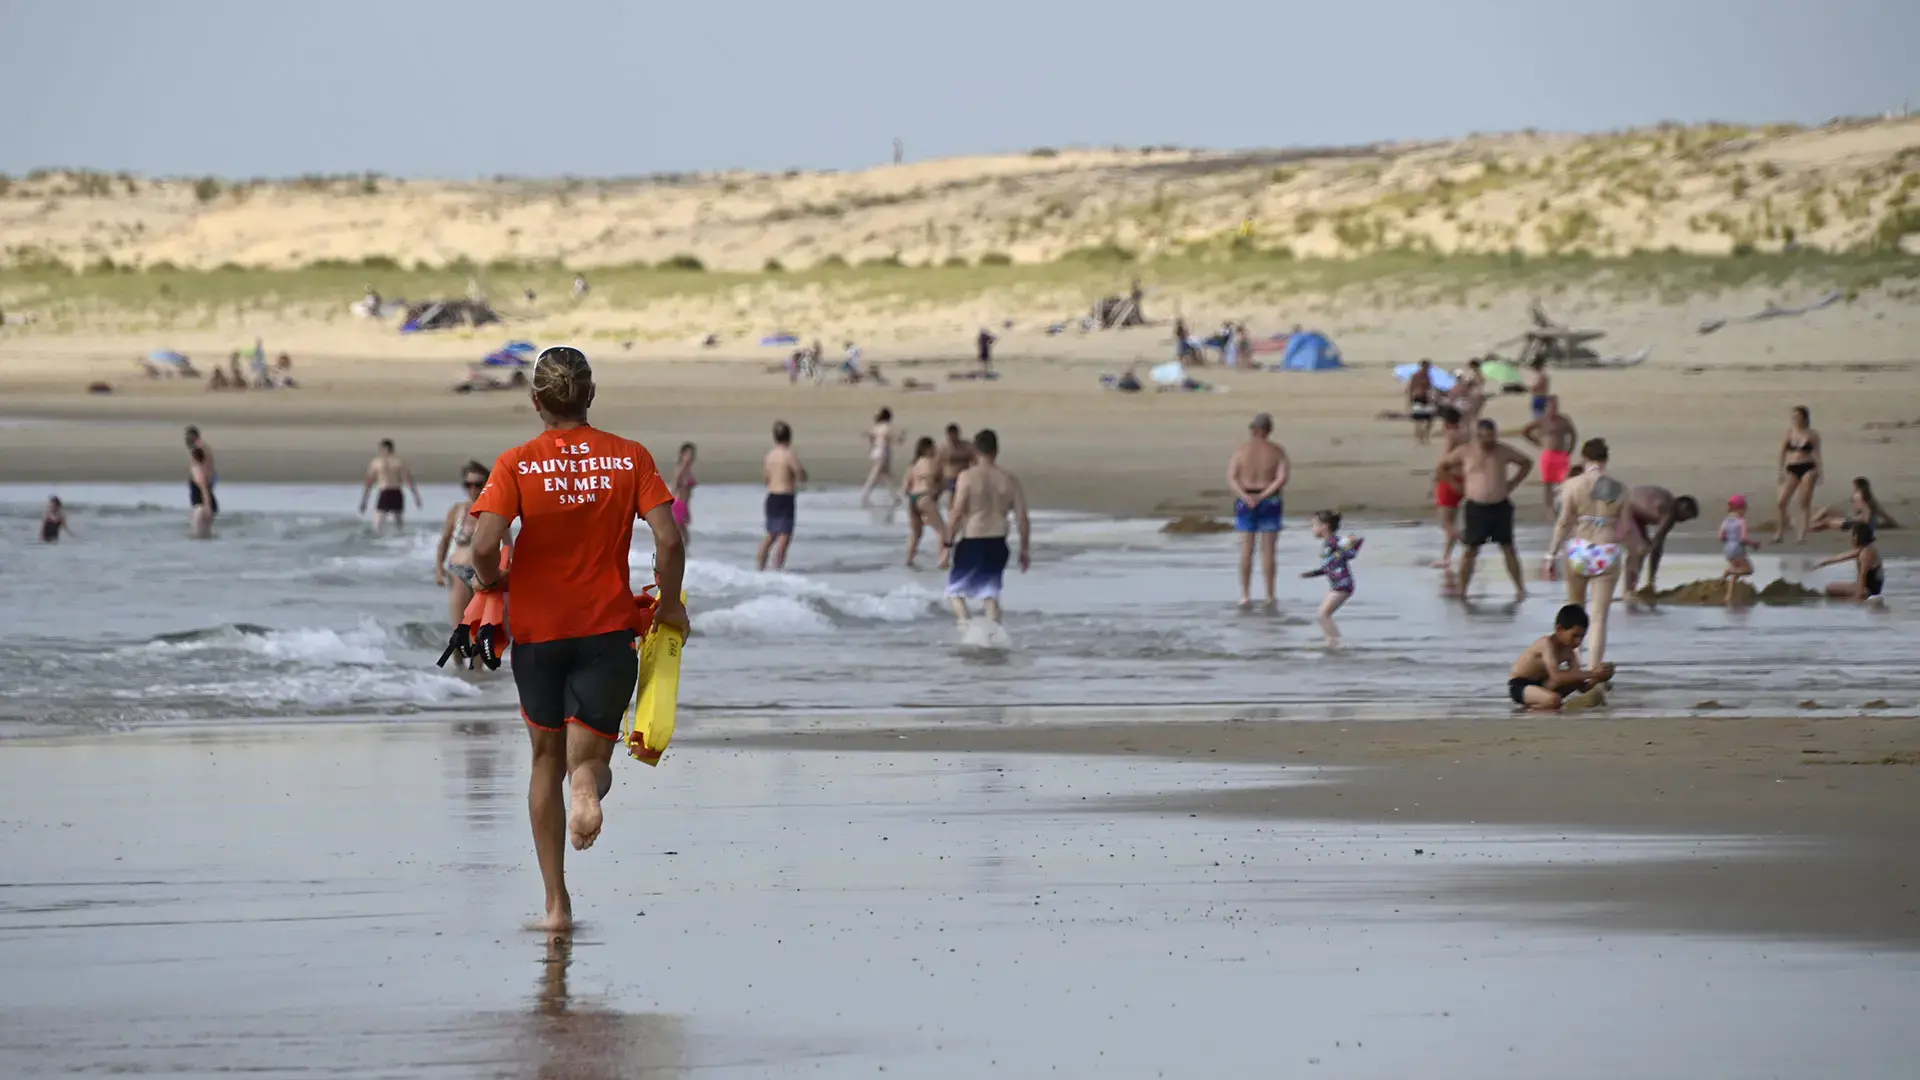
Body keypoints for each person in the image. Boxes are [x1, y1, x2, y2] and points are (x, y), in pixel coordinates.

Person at [466, 345, 687, 934]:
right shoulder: (629, 456)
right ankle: (586, 785)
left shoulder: (517, 462)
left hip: (539, 635)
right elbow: (668, 540)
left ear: (535, 400)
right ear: (590, 395)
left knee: (545, 760)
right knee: (587, 759)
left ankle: (556, 907)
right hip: (607, 631)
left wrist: (491, 583)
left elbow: (484, 546)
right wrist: (669, 605)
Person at [1546, 439, 1627, 668]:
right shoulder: (1619, 488)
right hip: (1607, 548)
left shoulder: (1572, 485)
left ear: (1583, 458)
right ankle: (1594, 669)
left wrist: (1550, 555)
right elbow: (1626, 528)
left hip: (1579, 549)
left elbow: (1563, 523)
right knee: (1599, 617)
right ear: (1606, 459)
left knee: (1576, 611)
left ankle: (1575, 667)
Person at [941, 429, 1030, 626]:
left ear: (975, 451)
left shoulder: (967, 477)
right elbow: (1022, 518)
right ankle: (993, 633)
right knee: (990, 593)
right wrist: (1024, 549)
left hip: (973, 540)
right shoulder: (1009, 479)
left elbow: (956, 513)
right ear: (996, 451)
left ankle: (966, 628)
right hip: (998, 542)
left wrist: (947, 545)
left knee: (955, 592)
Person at [1438, 419, 1531, 599]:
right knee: (1470, 550)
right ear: (1478, 436)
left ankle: (1520, 589)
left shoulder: (1503, 450)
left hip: (1500, 505)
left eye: (1492, 436)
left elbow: (1526, 463)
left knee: (1508, 548)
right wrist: (1454, 485)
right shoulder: (1466, 451)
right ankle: (1462, 590)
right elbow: (1442, 467)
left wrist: (1512, 483)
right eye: (1485, 436)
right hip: (1476, 507)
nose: (1489, 440)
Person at [1227, 413, 1290, 609]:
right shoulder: (1277, 451)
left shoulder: (1241, 450)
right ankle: (1270, 595)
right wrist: (1262, 496)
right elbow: (1281, 478)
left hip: (1246, 498)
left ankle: (1245, 595)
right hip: (1270, 500)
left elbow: (1232, 477)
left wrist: (1245, 497)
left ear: (1253, 430)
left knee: (1246, 550)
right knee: (1268, 551)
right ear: (1269, 430)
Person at [1508, 605, 1614, 711]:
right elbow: (1556, 677)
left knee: (1573, 679)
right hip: (1520, 685)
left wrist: (1599, 677)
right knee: (1554, 700)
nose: (1578, 641)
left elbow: (1582, 687)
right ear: (1559, 629)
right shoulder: (1546, 643)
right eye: (1574, 636)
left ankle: (1544, 705)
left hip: (1543, 683)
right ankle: (1527, 711)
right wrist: (1593, 673)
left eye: (1582, 637)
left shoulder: (1569, 652)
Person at [434, 461, 492, 654]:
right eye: (468, 485)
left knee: (479, 631)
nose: (473, 489)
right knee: (459, 630)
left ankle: (478, 671)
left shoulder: (494, 511)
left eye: (478, 484)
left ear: (487, 484)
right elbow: (444, 540)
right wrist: (439, 568)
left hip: (483, 574)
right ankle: (458, 669)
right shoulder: (457, 510)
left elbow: (507, 544)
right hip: (458, 571)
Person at [1621, 486, 1700, 598]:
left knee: (1644, 547)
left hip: (1634, 512)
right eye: (1686, 517)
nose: (1683, 521)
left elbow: (1655, 543)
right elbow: (1657, 545)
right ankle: (1628, 592)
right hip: (1626, 509)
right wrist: (1651, 579)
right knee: (1640, 549)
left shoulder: (1666, 501)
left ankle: (1630, 589)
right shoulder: (1670, 510)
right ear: (1683, 506)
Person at [1300, 510, 1362, 647]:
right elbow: (1329, 567)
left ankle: (1335, 642)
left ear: (1324, 526)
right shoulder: (1328, 544)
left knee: (1322, 615)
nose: (1312, 529)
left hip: (1343, 585)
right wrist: (1313, 573)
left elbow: (1352, 550)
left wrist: (1348, 545)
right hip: (1335, 585)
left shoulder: (1334, 541)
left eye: (1314, 525)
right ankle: (1332, 641)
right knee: (1322, 615)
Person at [758, 421, 805, 571]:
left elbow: (766, 479)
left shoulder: (770, 455)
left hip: (772, 496)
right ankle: (777, 568)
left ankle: (760, 566)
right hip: (785, 497)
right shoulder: (789, 454)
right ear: (789, 437)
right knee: (785, 535)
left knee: (771, 535)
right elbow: (800, 473)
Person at [1521, 396, 1578, 514]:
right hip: (1548, 455)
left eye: (1555, 406)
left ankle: (1564, 505)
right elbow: (1525, 431)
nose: (1553, 409)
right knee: (1548, 482)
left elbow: (1573, 434)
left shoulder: (1563, 420)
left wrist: (1570, 449)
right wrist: (1537, 442)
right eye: (1551, 406)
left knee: (1565, 481)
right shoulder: (1542, 421)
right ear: (1546, 407)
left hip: (1561, 454)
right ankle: (1549, 507)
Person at [1774, 405, 1822, 544]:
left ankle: (1802, 534)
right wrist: (1780, 471)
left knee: (1804, 501)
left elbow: (1817, 453)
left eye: (1798, 416)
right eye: (1794, 417)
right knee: (1781, 501)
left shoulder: (1812, 434)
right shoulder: (1789, 433)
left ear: (1804, 418)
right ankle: (1780, 532)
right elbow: (1782, 453)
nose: (1795, 419)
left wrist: (1820, 471)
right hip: (1792, 467)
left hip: (1808, 467)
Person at [900, 436, 946, 568]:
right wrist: (934, 498)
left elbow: (904, 487)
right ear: (927, 449)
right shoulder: (932, 463)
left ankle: (908, 561)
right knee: (942, 531)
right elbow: (938, 484)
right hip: (925, 497)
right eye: (933, 447)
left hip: (912, 499)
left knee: (916, 534)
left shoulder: (913, 465)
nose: (935, 450)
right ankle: (942, 562)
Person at [1431, 405, 1467, 572]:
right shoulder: (1467, 434)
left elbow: (1445, 458)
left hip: (1450, 477)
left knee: (1446, 522)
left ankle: (1466, 542)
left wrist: (1436, 475)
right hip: (1464, 477)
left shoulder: (1451, 435)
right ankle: (1446, 557)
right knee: (1451, 522)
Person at [358, 439, 423, 533]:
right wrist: (364, 501)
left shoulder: (389, 462)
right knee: (383, 523)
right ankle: (397, 537)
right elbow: (369, 482)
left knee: (391, 523)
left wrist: (416, 497)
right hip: (389, 493)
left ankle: (395, 537)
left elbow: (408, 479)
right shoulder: (386, 462)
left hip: (393, 492)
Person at [1817, 521, 1884, 602]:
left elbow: (1863, 574)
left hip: (1868, 590)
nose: (1851, 539)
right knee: (1830, 588)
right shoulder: (1863, 549)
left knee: (1831, 591)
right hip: (1865, 587)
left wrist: (1859, 594)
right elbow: (1839, 558)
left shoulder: (1866, 553)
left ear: (1857, 536)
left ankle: (1853, 599)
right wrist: (1818, 564)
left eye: (1853, 535)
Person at [1809, 476, 1901, 532]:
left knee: (1827, 522)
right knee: (1827, 514)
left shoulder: (1859, 497)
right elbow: (1882, 513)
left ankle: (1808, 526)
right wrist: (1893, 524)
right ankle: (1809, 525)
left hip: (1856, 524)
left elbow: (1866, 517)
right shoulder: (1869, 498)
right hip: (1856, 521)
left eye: (1854, 486)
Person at [1719, 494, 1760, 604]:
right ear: (1740, 508)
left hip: (1727, 548)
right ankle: (1728, 571)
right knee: (1749, 570)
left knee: (1736, 572)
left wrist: (1729, 540)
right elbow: (1743, 539)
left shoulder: (1726, 520)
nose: (1745, 511)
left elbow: (1721, 536)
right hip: (1737, 549)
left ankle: (1729, 596)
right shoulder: (1741, 521)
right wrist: (1753, 544)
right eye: (1744, 508)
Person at [859, 407, 901, 508]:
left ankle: (894, 496)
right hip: (883, 452)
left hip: (877, 450)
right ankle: (865, 493)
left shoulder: (876, 427)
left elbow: (871, 437)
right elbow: (893, 440)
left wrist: (870, 446)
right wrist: (901, 437)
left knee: (886, 474)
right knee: (876, 474)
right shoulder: (887, 427)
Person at [934, 423, 975, 512]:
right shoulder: (942, 448)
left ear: (958, 434)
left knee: (964, 502)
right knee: (951, 502)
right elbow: (936, 464)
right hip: (949, 478)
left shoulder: (967, 446)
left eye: (954, 434)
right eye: (951, 435)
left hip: (963, 477)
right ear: (947, 435)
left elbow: (975, 460)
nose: (953, 437)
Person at [670, 443, 697, 549]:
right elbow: (673, 487)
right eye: (688, 454)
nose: (690, 457)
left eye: (692, 454)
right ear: (682, 455)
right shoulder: (680, 469)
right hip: (678, 505)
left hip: (685, 505)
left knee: (684, 537)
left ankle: (682, 556)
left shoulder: (688, 470)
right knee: (682, 536)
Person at [188, 446, 215, 539]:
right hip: (201, 505)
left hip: (201, 506)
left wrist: (208, 507)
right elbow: (210, 457)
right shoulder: (204, 468)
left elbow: (204, 490)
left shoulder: (199, 473)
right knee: (205, 532)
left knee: (198, 533)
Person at [1407, 360, 1437, 444]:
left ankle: (1425, 435)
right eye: (1427, 367)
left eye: (1428, 367)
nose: (1427, 368)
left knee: (1430, 419)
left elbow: (1430, 388)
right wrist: (1410, 400)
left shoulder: (1428, 376)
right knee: (1419, 420)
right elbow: (1411, 388)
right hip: (1418, 398)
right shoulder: (1416, 376)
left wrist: (1433, 397)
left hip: (1426, 398)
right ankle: (1420, 437)